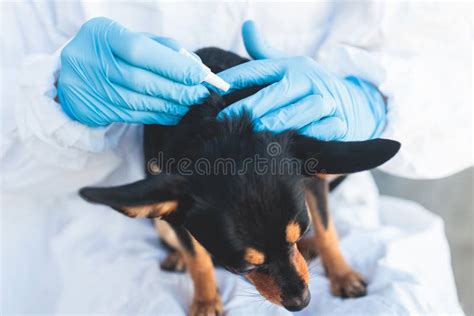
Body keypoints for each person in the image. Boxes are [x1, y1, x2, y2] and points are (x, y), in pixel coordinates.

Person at [2, 2, 471, 315]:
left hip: (330, 203)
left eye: (295, 242)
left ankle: (325, 248)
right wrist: (52, 100)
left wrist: (375, 102)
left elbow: (452, 66)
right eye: (252, 267)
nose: (296, 294)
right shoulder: (174, 188)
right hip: (81, 242)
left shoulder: (282, 147)